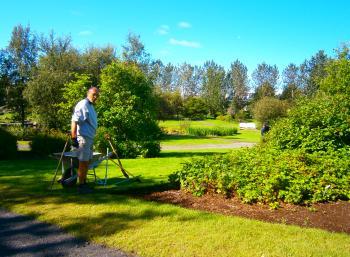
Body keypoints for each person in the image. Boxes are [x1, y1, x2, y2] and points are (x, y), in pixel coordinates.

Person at [71, 87, 99, 193]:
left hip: (89, 138)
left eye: (97, 95)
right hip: (83, 138)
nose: (96, 97)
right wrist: (73, 138)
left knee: (86, 162)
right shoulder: (83, 104)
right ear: (88, 93)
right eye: (94, 94)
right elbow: (74, 120)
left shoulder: (90, 106)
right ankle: (81, 186)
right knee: (83, 162)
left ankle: (84, 183)